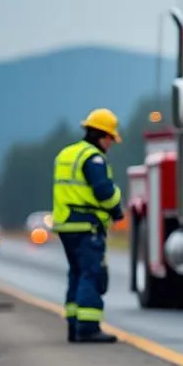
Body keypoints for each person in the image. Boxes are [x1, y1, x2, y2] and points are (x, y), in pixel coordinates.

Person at [51, 108, 125, 344]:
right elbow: (103, 191)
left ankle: (74, 326)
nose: (110, 144)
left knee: (76, 273)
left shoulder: (67, 153)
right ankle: (89, 327)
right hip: (87, 225)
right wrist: (117, 210)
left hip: (66, 225)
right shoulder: (93, 158)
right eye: (110, 139)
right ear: (102, 136)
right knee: (91, 274)